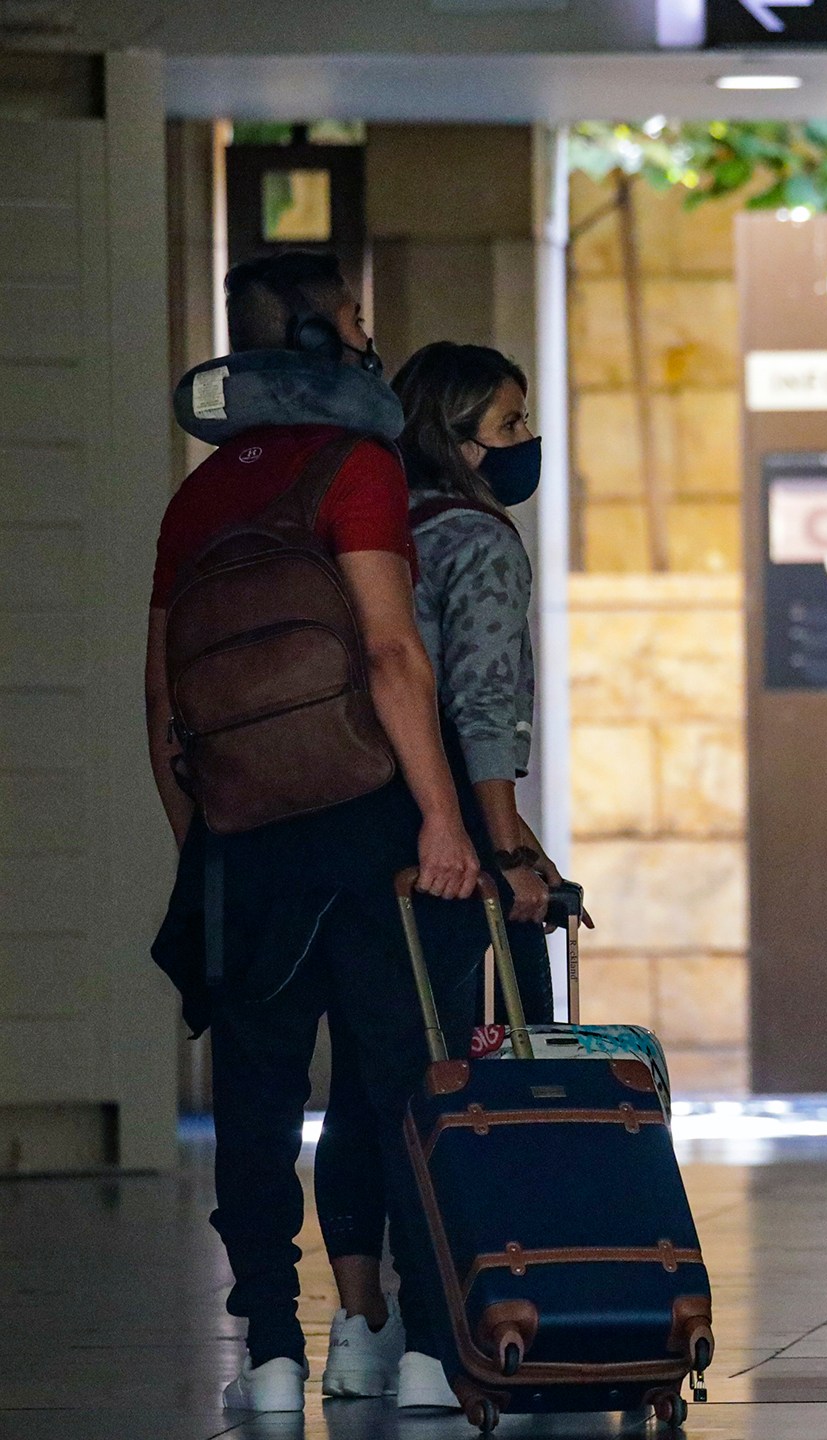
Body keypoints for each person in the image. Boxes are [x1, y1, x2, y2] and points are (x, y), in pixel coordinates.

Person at [145, 251, 481, 1414]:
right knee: (397, 1087)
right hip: (367, 831)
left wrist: (214, 831)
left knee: (255, 1095)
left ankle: (275, 1360)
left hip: (247, 842)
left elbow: (163, 706)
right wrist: (442, 817)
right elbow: (393, 655)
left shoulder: (195, 498)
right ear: (332, 333)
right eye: (355, 317)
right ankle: (429, 1351)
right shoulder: (357, 469)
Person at [309, 341, 570, 1407]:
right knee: (472, 1078)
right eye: (506, 427)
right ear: (454, 438)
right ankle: (444, 1333)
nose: (522, 446)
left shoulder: (362, 537)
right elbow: (482, 708)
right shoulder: (477, 543)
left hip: (350, 836)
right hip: (450, 846)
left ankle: (361, 1329)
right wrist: (509, 850)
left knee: (367, 1094)